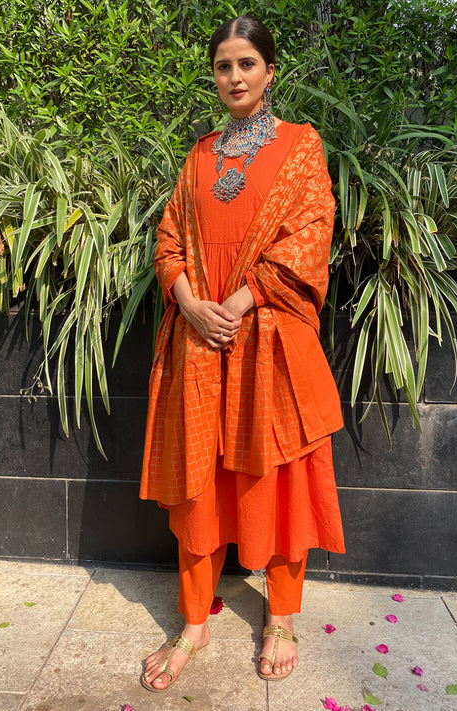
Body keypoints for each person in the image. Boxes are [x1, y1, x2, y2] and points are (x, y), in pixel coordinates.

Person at [139, 15, 345, 693]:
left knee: (276, 479)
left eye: (246, 64)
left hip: (268, 341)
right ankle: (194, 621)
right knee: (200, 479)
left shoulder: (298, 147)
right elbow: (168, 238)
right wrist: (189, 300)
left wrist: (243, 298)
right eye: (223, 65)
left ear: (269, 72)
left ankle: (281, 616)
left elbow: (311, 231)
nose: (233, 77)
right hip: (200, 346)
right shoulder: (198, 155)